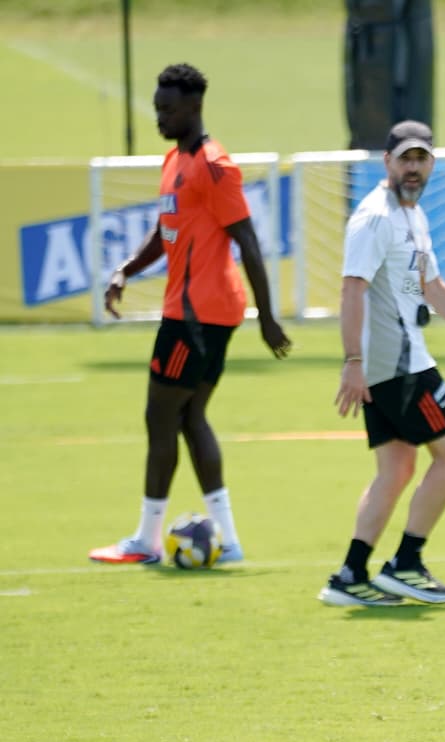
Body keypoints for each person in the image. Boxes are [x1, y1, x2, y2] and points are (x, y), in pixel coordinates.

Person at [89, 63, 291, 566]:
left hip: (197, 317)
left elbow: (246, 239)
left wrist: (267, 317)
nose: (159, 117)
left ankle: (145, 540)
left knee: (161, 415)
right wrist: (126, 270)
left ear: (194, 108)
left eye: (167, 109)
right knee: (188, 416)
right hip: (194, 313)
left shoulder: (215, 166)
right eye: (157, 107)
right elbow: (166, 231)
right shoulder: (174, 161)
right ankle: (229, 540)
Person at [319, 120, 445, 607]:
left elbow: (431, 284)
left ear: (431, 163)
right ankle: (405, 563)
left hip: (394, 362)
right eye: (404, 158)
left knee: (397, 467)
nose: (413, 167)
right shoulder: (375, 218)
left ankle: (349, 574)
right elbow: (352, 288)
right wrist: (352, 360)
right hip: (401, 364)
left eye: (421, 158)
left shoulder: (412, 214)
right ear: (387, 161)